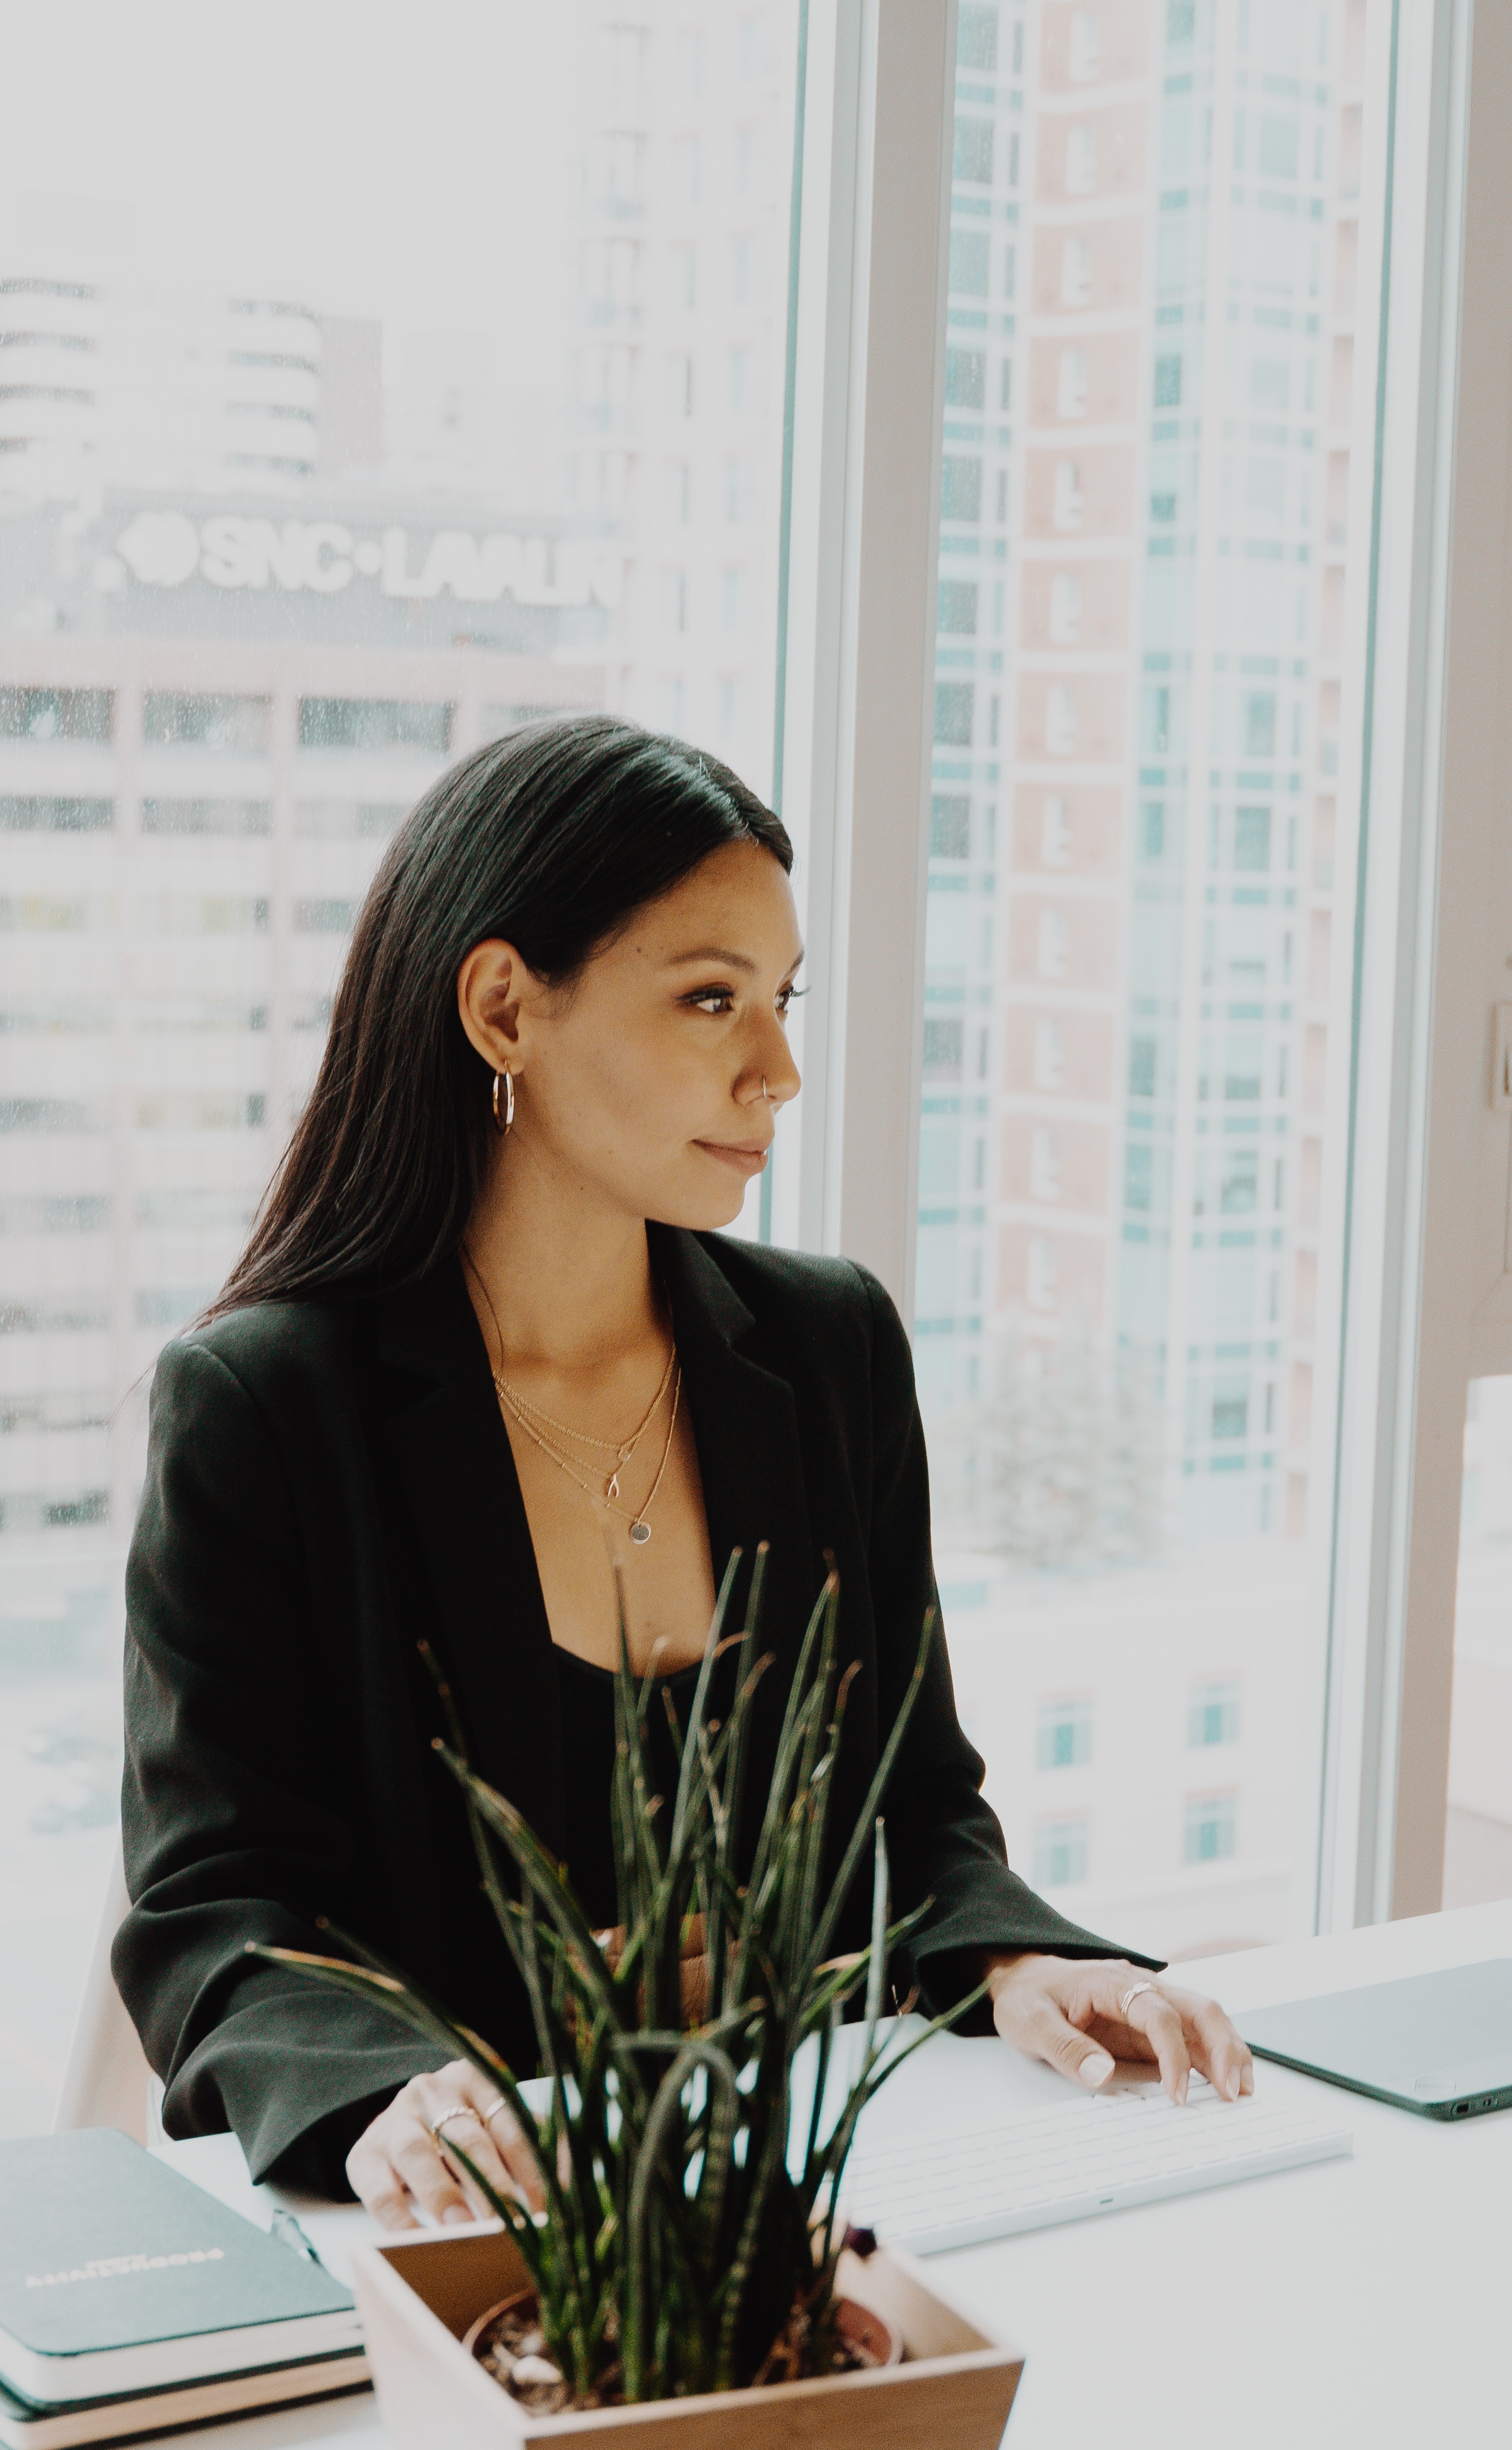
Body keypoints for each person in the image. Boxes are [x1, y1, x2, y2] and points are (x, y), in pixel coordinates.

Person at [114, 714, 1253, 2229]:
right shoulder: (267, 1405)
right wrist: (387, 2087)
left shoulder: (829, 1345)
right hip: (486, 2225)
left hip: (820, 2188)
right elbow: (217, 1900)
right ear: (506, 1007)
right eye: (711, 999)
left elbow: (916, 1800)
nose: (777, 1067)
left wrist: (1015, 1959)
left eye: (781, 1001)